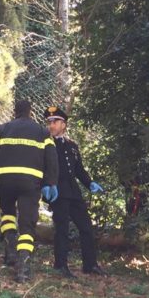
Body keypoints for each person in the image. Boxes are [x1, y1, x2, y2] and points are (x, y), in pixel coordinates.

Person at [0, 99, 59, 282]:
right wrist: (51, 182)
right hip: (30, 183)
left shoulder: (2, 129)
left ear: (14, 112)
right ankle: (23, 268)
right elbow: (52, 159)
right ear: (31, 112)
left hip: (6, 179)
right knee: (27, 223)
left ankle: (10, 250)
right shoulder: (42, 132)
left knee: (8, 213)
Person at [44, 105, 107, 278]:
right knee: (62, 228)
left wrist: (90, 183)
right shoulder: (45, 144)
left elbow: (79, 169)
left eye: (55, 121)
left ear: (63, 124)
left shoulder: (72, 145)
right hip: (57, 191)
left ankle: (90, 264)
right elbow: (42, 168)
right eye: (49, 122)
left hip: (73, 192)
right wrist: (46, 185)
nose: (51, 125)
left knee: (86, 227)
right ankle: (60, 265)